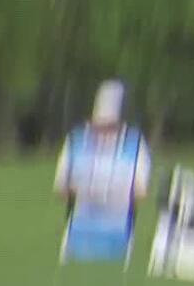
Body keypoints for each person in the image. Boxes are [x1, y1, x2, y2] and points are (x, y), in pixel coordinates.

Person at [54, 80, 152, 266]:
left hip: (118, 235)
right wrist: (82, 191)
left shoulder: (134, 145)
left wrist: (114, 193)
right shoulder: (75, 142)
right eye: (99, 127)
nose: (104, 134)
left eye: (110, 127)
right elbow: (61, 188)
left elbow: (140, 192)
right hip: (79, 236)